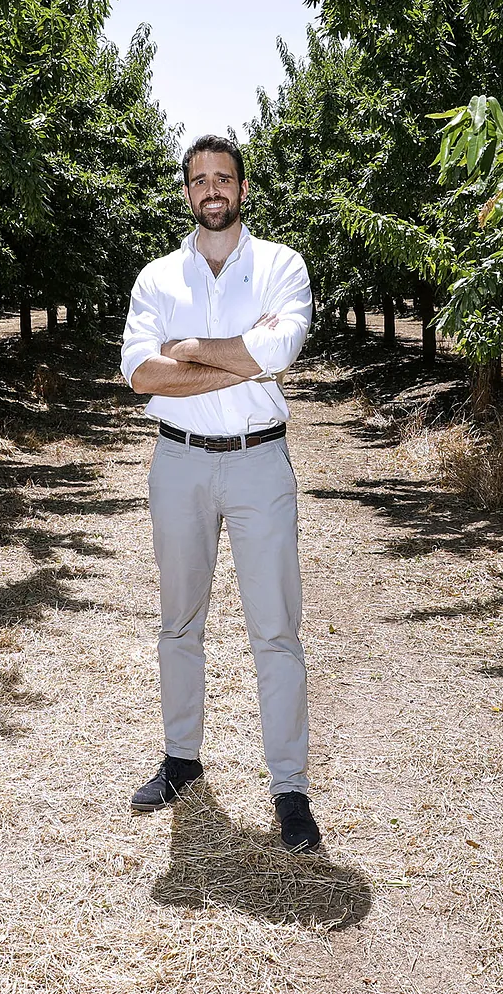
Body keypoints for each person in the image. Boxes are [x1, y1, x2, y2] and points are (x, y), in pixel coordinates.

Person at [119, 133, 320, 852]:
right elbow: (141, 374)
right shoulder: (155, 279)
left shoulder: (280, 266)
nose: (212, 190)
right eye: (199, 179)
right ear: (185, 192)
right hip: (178, 464)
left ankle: (289, 790)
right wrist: (241, 355)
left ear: (241, 188)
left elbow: (281, 350)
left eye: (223, 178)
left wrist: (194, 350)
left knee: (275, 631)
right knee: (180, 623)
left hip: (258, 464)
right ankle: (181, 760)